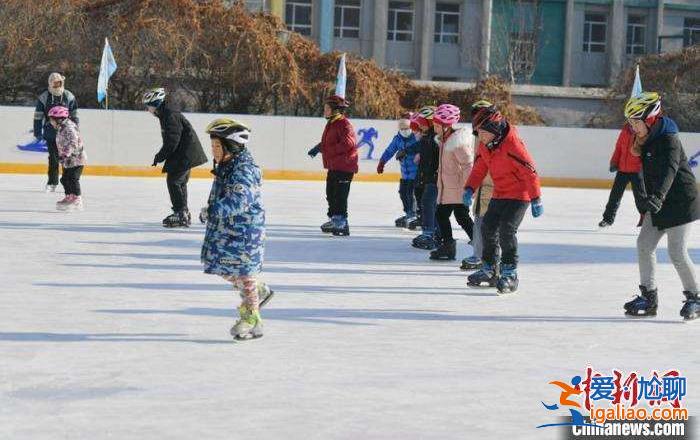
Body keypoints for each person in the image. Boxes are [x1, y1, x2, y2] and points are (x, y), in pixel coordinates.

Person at [619, 92, 699, 321]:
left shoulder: (669, 139)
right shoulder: (645, 140)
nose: (633, 127)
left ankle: (695, 298)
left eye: (635, 122)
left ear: (650, 118)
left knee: (677, 252)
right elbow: (646, 173)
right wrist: (646, 200)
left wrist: (658, 196)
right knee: (644, 244)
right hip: (659, 202)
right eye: (631, 123)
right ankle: (649, 297)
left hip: (681, 202)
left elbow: (670, 171)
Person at [200, 118, 274, 340]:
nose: (213, 151)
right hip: (229, 231)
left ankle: (252, 319)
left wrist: (214, 210)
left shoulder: (243, 169)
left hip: (244, 233)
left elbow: (240, 199)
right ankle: (259, 290)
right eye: (212, 146)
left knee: (244, 274)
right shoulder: (227, 165)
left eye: (216, 146)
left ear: (231, 146)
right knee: (221, 266)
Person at [464, 101, 542, 294]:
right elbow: (480, 167)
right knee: (487, 227)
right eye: (477, 133)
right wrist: (469, 188)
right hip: (500, 193)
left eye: (482, 132)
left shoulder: (512, 145)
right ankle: (490, 269)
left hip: (519, 196)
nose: (479, 137)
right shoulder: (486, 145)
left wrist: (536, 198)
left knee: (507, 231)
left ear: (494, 128)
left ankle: (510, 273)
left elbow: (530, 172)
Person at [143, 87, 208, 228]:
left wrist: (159, 156)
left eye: (148, 106)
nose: (148, 110)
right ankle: (183, 212)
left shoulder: (169, 115)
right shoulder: (166, 114)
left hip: (185, 153)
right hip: (184, 153)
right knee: (179, 182)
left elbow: (172, 141)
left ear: (155, 103)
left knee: (174, 182)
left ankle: (181, 213)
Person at [307, 95, 359, 236]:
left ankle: (341, 221)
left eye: (327, 109)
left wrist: (328, 150)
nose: (325, 111)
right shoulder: (331, 124)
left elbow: (349, 143)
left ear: (335, 110)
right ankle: (335, 219)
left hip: (345, 166)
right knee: (331, 194)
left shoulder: (344, 124)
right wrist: (318, 148)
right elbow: (329, 142)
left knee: (340, 195)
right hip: (334, 166)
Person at [430, 104, 475, 261]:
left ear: (446, 126)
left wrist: (467, 189)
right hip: (448, 189)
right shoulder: (445, 140)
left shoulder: (458, 142)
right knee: (442, 215)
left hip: (458, 189)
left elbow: (469, 165)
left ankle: (483, 247)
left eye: (436, 125)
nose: (434, 127)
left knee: (461, 217)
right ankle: (448, 246)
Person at [33, 73, 79, 192]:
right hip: (51, 133)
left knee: (66, 159)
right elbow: (38, 116)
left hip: (66, 134)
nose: (57, 85)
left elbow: (74, 114)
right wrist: (38, 132)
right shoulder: (44, 97)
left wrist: (75, 129)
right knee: (53, 159)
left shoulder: (68, 96)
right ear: (50, 83)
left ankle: (67, 181)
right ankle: (52, 182)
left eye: (59, 83)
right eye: (54, 83)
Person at [376, 113, 419, 228]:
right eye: (402, 128)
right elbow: (390, 151)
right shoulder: (397, 139)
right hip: (405, 173)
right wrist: (382, 162)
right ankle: (408, 213)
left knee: (411, 194)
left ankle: (414, 214)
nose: (405, 130)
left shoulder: (416, 137)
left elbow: (420, 150)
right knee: (403, 193)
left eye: (407, 128)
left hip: (416, 173)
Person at [599, 123, 645, 227]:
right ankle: (607, 219)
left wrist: (644, 166)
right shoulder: (625, 130)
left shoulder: (643, 130)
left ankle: (645, 218)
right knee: (614, 196)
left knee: (640, 197)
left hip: (637, 170)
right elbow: (618, 147)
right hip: (622, 169)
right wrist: (614, 162)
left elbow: (647, 151)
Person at [409, 106, 441, 250]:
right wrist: (405, 150)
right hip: (426, 176)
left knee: (429, 203)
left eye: (423, 122)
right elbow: (418, 145)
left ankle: (432, 233)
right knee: (426, 203)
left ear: (431, 122)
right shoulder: (427, 137)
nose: (420, 125)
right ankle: (430, 231)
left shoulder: (436, 138)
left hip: (435, 177)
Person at [49, 106, 86, 211]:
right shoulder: (62, 127)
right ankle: (69, 197)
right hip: (68, 160)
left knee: (73, 178)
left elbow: (73, 142)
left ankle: (77, 199)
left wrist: (66, 153)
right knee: (64, 179)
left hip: (76, 158)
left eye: (52, 119)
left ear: (59, 119)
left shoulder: (69, 127)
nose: (51, 122)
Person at [461, 173, 494, 271]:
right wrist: (470, 189)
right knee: (478, 227)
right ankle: (478, 255)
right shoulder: (481, 157)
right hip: (482, 197)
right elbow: (477, 173)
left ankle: (489, 259)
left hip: (494, 197)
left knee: (491, 231)